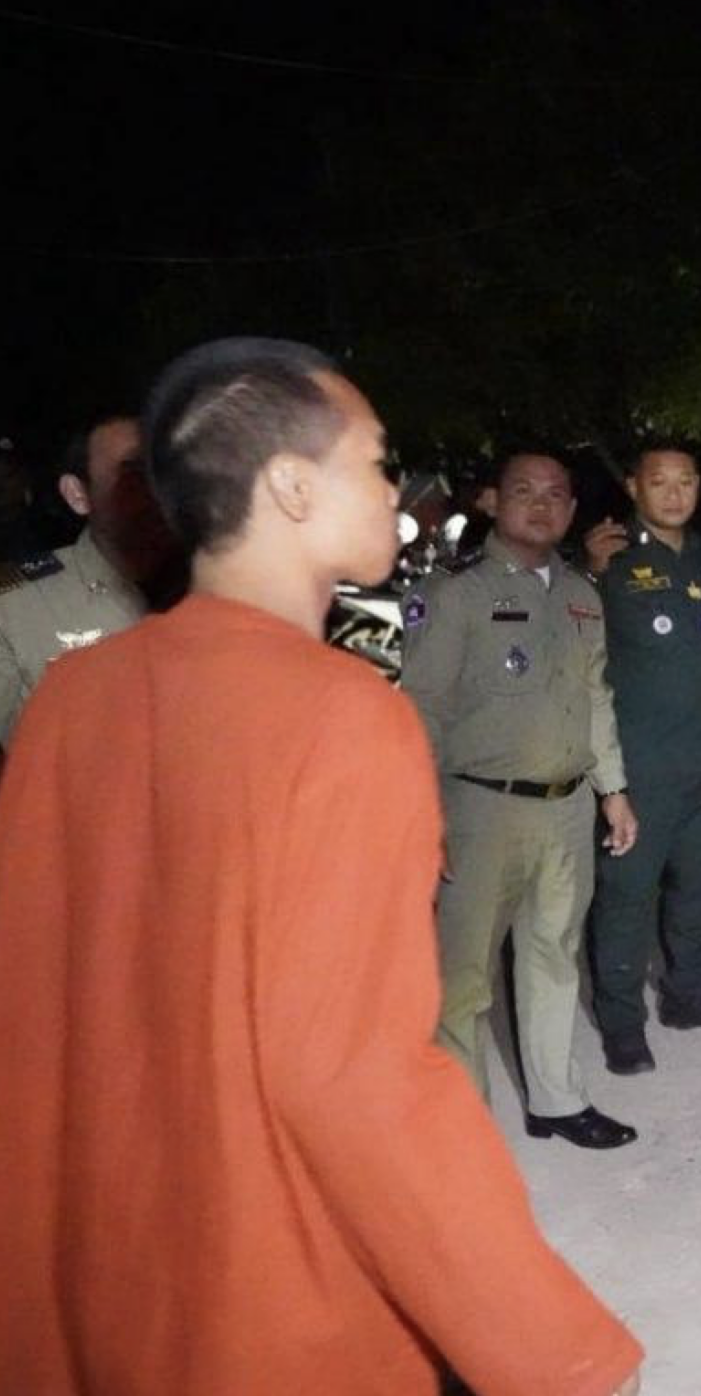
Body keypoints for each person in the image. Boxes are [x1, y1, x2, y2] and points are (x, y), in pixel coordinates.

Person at [0, 338, 642, 1395]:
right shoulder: (341, 714)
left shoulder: (76, 696)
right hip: (274, 1295)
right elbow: (356, 1081)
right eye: (376, 462)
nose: (395, 491)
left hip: (113, 1267)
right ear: (295, 486)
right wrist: (555, 1349)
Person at [400, 452, 641, 1150]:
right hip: (479, 810)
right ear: (491, 502)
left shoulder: (581, 594)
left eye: (555, 494)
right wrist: (422, 814)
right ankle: (461, 1128)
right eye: (524, 491)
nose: (541, 504)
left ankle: (557, 1100)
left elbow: (596, 698)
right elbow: (421, 708)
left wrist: (613, 789)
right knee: (464, 977)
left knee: (555, 954)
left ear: (572, 509)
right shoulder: (455, 594)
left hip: (567, 807)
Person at [588, 443, 701, 1073]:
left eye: (685, 481)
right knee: (627, 897)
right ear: (633, 487)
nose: (673, 493)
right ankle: (621, 1023)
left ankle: (690, 993)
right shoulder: (607, 558)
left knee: (700, 889)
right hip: (644, 764)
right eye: (659, 481)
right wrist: (590, 573)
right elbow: (580, 649)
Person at [0, 414, 180, 750]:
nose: (157, 490)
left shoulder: (226, 586)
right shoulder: (15, 605)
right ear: (78, 495)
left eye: (166, 471)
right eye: (133, 474)